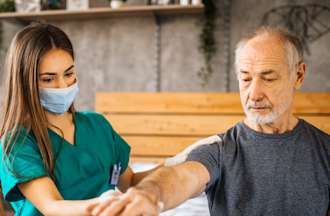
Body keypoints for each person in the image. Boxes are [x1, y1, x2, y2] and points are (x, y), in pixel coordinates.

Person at [89, 27, 330, 216]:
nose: (254, 94)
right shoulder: (220, 149)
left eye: (268, 79)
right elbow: (182, 177)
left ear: (298, 75)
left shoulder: (325, 150)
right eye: (245, 79)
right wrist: (150, 194)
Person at [0, 23, 162, 216]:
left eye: (68, 74)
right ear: (25, 82)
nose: (62, 86)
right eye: (48, 79)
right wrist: (106, 205)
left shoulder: (98, 125)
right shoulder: (18, 143)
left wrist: (177, 163)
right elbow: (53, 207)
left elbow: (131, 182)